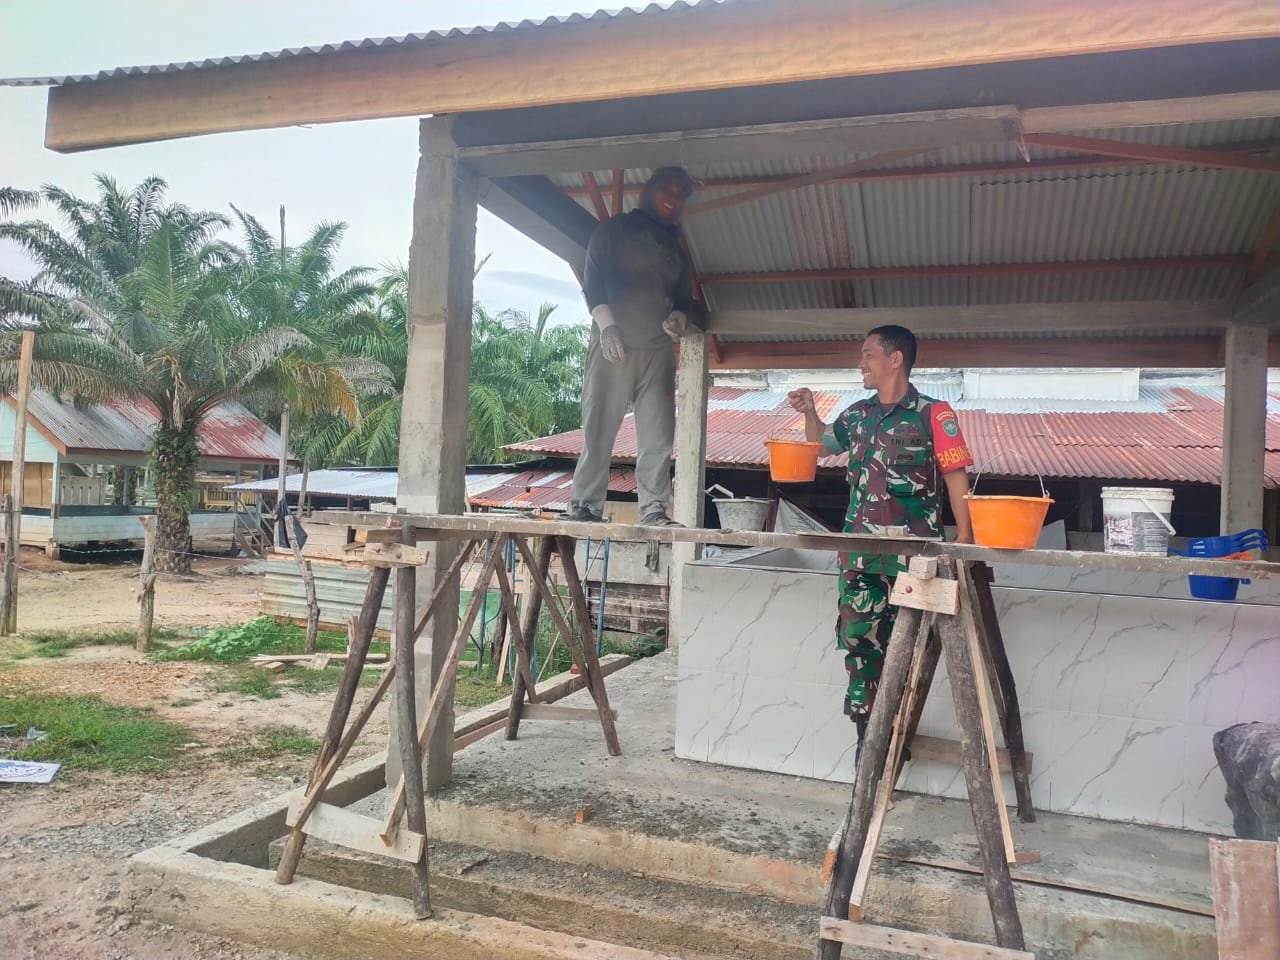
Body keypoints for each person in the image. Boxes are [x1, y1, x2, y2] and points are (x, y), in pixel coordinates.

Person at [787, 325, 974, 744]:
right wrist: (810, 413)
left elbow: (955, 475)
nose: (861, 363)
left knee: (911, 649)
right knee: (859, 646)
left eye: (868, 354)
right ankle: (866, 744)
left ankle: (897, 738)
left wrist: (964, 535)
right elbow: (821, 445)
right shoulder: (857, 415)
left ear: (895, 359)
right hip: (860, 559)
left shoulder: (933, 414)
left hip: (915, 561)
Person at [566, 166, 706, 526]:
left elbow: (684, 298)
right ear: (649, 190)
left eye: (680, 195)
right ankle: (585, 505)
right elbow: (593, 279)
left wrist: (679, 315)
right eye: (668, 190)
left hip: (656, 350)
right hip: (615, 344)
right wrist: (607, 326)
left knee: (658, 435)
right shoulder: (615, 230)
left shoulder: (675, 248)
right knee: (599, 428)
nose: (674, 199)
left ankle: (654, 509)